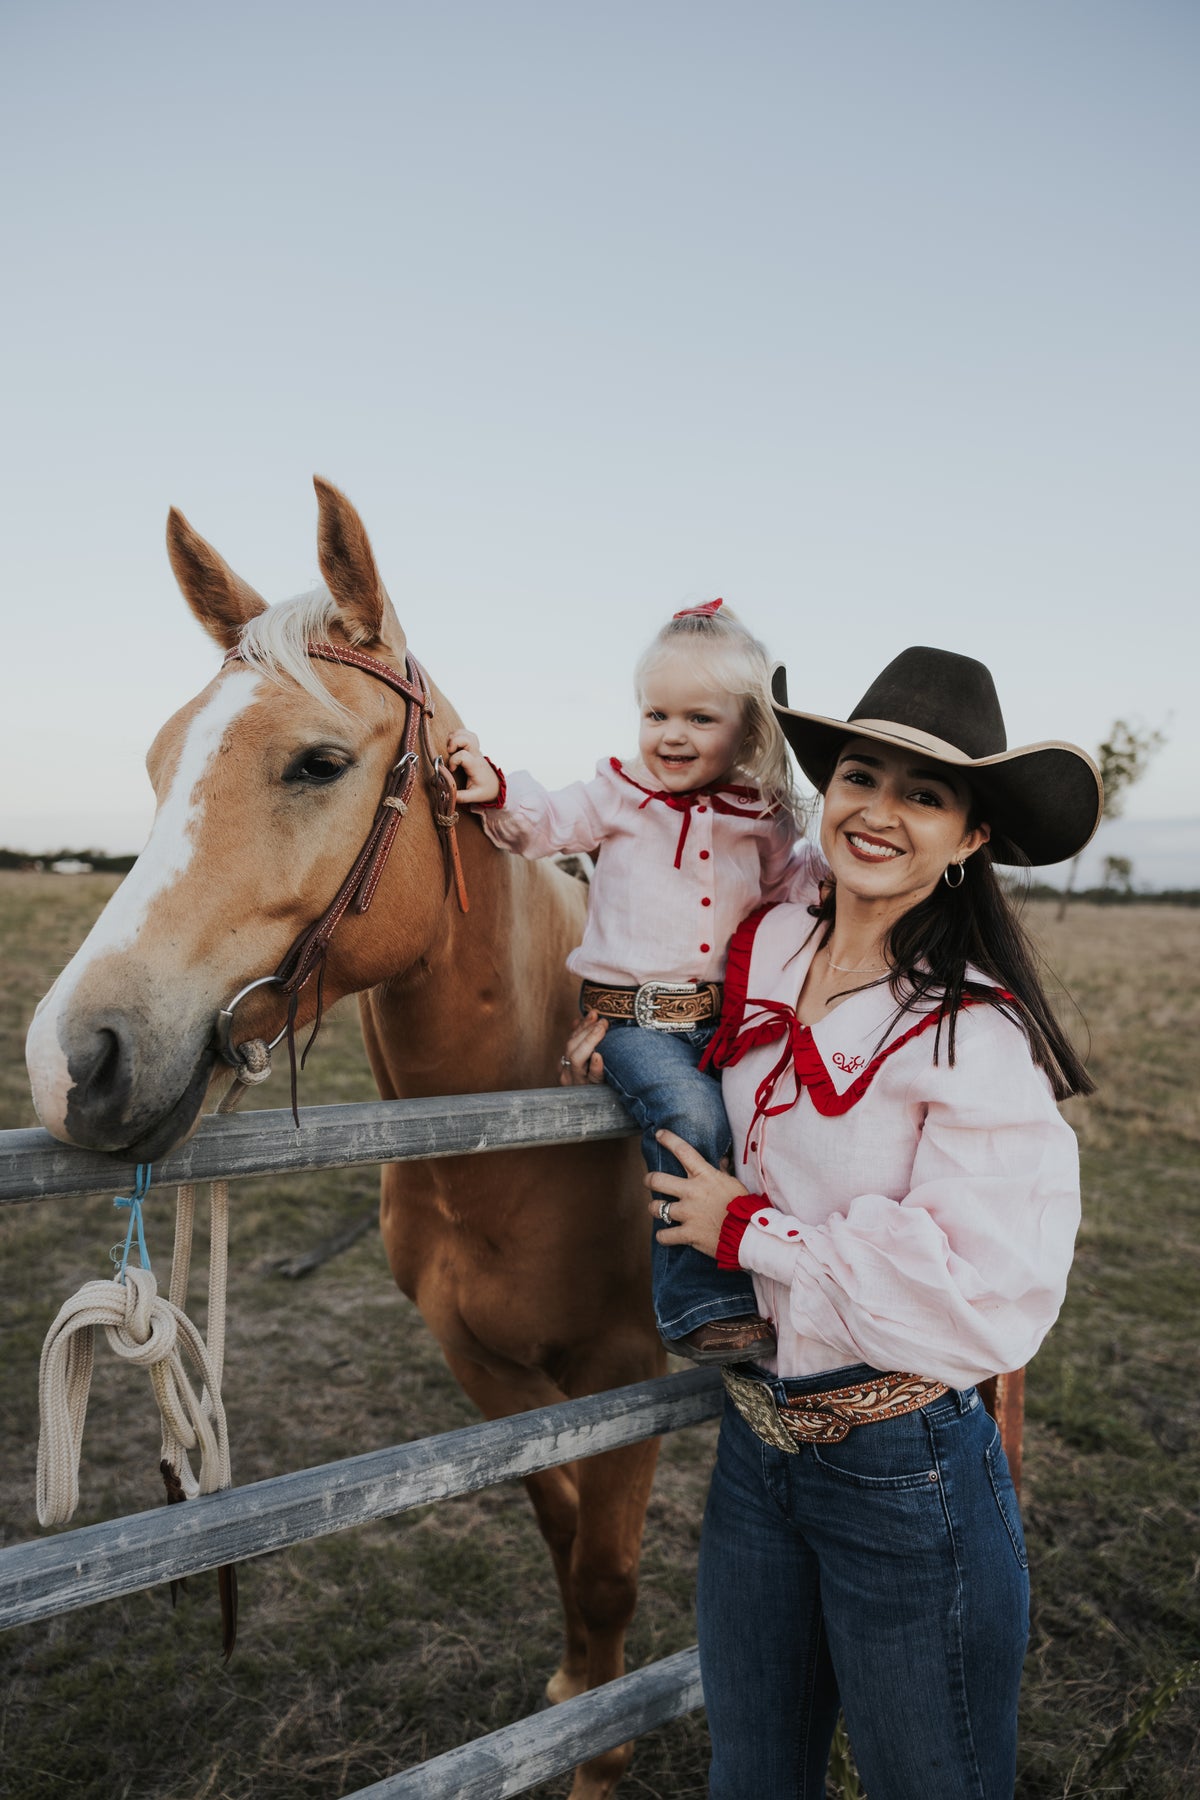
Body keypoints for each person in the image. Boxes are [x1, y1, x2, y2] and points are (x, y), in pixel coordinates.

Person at [560, 645, 1103, 1799]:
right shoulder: (776, 939)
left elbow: (986, 1285)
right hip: (758, 1444)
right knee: (751, 1776)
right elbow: (665, 898)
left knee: (932, 1784)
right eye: (862, 776)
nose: (882, 812)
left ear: (971, 840)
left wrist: (747, 1232)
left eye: (927, 795)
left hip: (904, 1466)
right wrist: (617, 1017)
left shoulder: (974, 1035)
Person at [448, 600, 822, 1363]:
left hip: (723, 1022)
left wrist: (844, 876)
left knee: (769, 1131)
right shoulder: (616, 796)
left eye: (699, 718)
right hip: (633, 1023)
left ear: (749, 731)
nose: (671, 735)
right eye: (656, 714)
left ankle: (779, 1283)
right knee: (693, 1119)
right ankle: (696, 1306)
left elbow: (795, 893)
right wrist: (492, 787)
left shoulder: (764, 815)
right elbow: (543, 822)